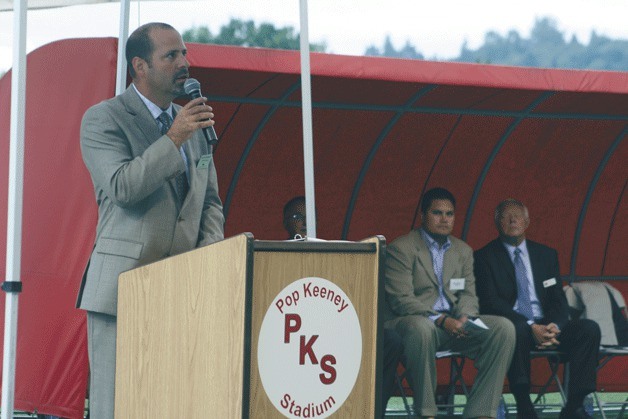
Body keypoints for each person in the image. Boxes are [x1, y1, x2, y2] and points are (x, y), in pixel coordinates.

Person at [76, 22, 224, 419]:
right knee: (118, 405)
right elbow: (123, 187)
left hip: (183, 294)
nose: (184, 64)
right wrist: (172, 138)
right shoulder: (103, 119)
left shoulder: (191, 121)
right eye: (171, 55)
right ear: (139, 65)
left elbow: (209, 201)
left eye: (185, 54)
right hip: (123, 291)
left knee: (172, 404)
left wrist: (208, 255)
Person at [383, 187, 515, 419]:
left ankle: (481, 412)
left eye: (449, 214)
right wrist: (442, 320)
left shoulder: (462, 250)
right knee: (421, 328)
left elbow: (468, 294)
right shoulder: (401, 248)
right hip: (411, 323)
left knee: (503, 328)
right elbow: (401, 300)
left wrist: (465, 317)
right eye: (437, 213)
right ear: (422, 216)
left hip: (453, 325)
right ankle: (427, 413)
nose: (444, 219)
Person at [474, 199, 600, 419]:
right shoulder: (484, 257)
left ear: (527, 221)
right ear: (496, 222)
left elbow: (557, 299)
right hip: (515, 326)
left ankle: (575, 406)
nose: (513, 220)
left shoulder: (546, 255)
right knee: (518, 328)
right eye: (506, 216)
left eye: (518, 216)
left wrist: (555, 326)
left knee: (589, 329)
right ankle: (524, 405)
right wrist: (531, 326)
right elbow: (489, 302)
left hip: (547, 325)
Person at [282, 196, 404, 417]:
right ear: (286, 223)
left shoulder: (334, 252)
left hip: (335, 328)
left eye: (309, 216)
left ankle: (373, 410)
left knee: (391, 340)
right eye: (297, 217)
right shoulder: (275, 254)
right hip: (298, 333)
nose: (304, 222)